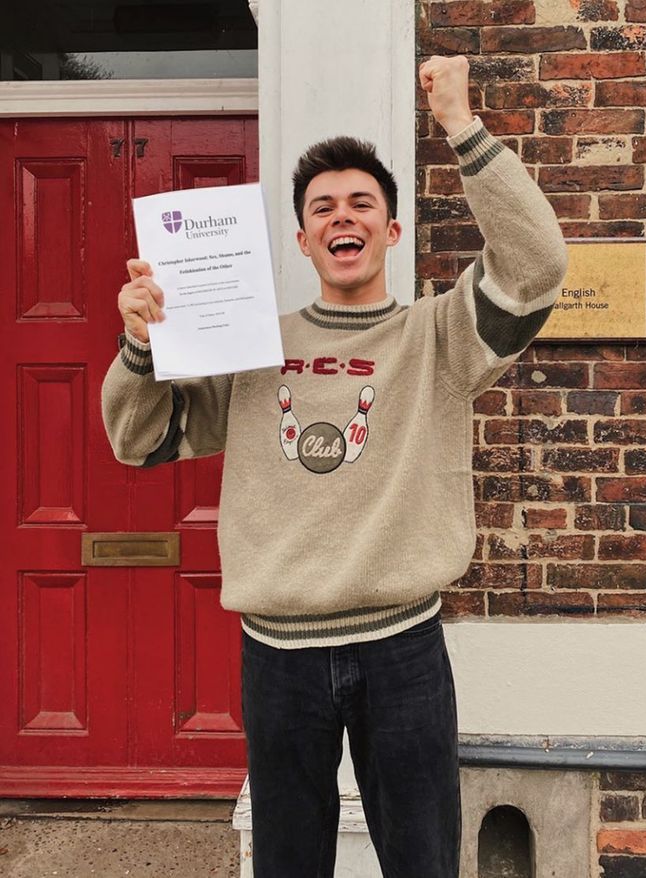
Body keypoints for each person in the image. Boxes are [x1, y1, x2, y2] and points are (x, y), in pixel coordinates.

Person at [102, 55, 568, 878]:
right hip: (277, 655)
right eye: (322, 207)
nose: (341, 217)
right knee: (287, 862)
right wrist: (142, 345)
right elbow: (141, 440)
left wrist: (462, 127)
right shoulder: (250, 347)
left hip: (402, 649)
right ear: (302, 236)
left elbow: (536, 268)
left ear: (390, 231)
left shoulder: (439, 338)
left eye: (362, 204)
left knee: (422, 859)